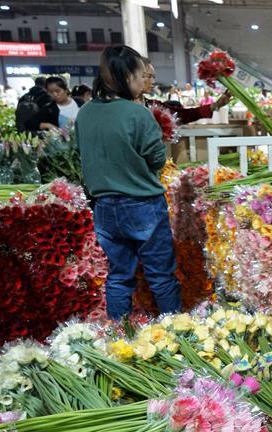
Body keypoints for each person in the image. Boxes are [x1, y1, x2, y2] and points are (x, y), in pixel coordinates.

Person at [75, 45, 181, 320]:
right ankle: (178, 334)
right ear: (127, 76)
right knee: (161, 277)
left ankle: (119, 337)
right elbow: (157, 159)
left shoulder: (85, 112)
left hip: (104, 208)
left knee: (119, 276)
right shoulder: (137, 114)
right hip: (142, 205)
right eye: (140, 73)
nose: (142, 79)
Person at [141, 58, 230, 124]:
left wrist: (216, 105)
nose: (153, 82)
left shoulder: (153, 106)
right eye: (149, 76)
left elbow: (183, 115)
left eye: (153, 77)